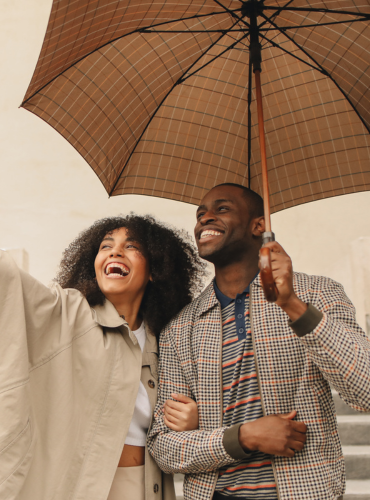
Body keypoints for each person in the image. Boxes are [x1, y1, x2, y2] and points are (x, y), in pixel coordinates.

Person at [148, 184, 370, 500]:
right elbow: (164, 448)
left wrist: (292, 304)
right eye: (200, 214)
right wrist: (244, 437)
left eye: (221, 209)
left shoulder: (317, 295)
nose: (205, 219)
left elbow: (366, 390)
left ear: (259, 225)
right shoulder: (180, 328)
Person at [0, 214, 205, 500]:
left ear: (154, 270)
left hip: (148, 487)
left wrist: (196, 421)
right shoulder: (66, 313)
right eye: (106, 246)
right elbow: (9, 283)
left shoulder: (167, 341)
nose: (115, 251)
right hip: (81, 487)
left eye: (131, 247)